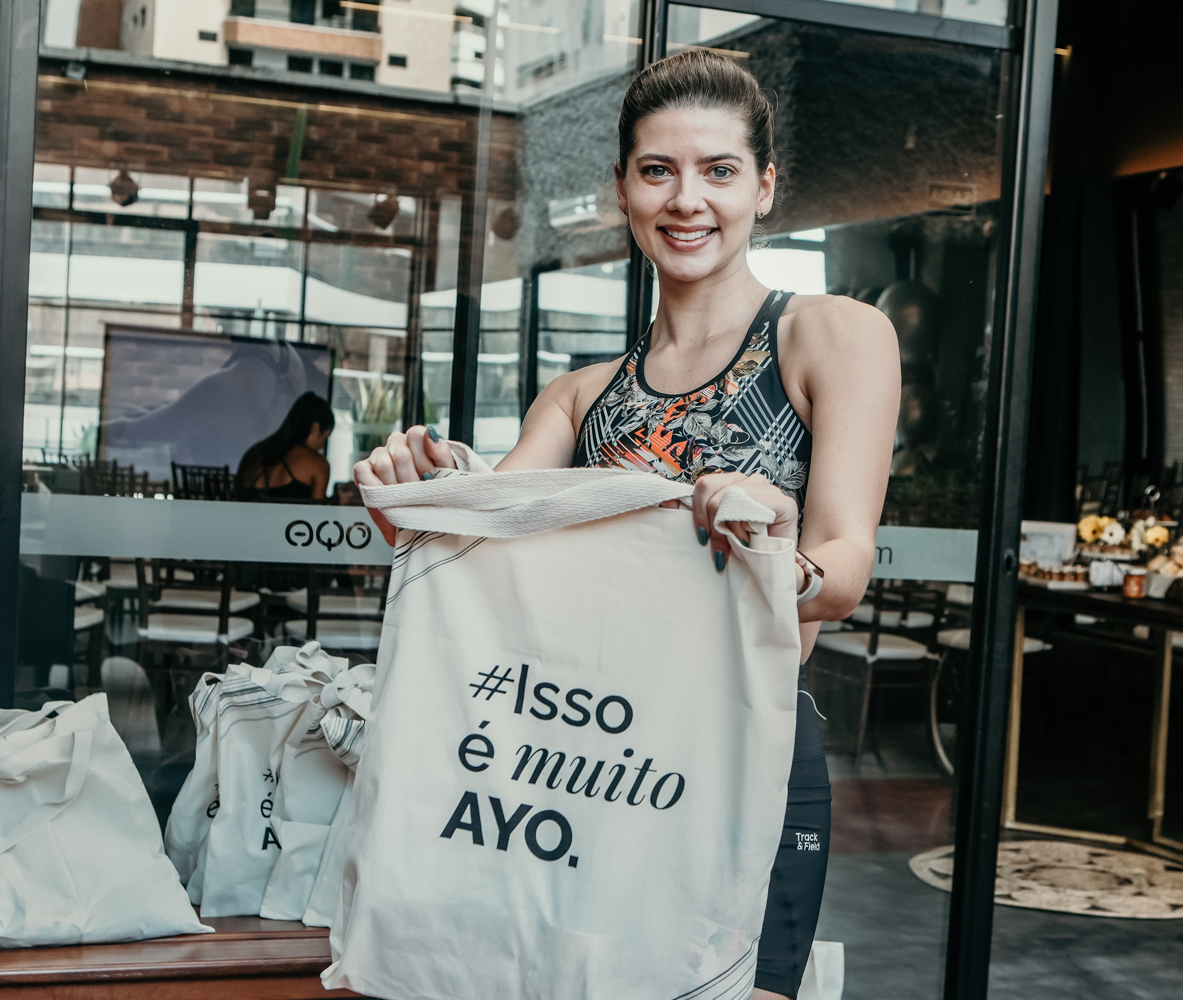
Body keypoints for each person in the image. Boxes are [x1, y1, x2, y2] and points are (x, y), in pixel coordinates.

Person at [355, 49, 900, 1000]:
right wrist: (408, 506)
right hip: (587, 765)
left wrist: (780, 558)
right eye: (658, 171)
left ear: (764, 187)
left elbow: (845, 564)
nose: (688, 200)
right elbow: (482, 562)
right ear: (623, 189)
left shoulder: (832, 335)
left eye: (719, 170)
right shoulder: (577, 397)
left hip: (746, 760)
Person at [237, 391, 334, 503]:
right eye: (324, 438)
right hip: (291, 515)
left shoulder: (255, 453)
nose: (322, 447)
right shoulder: (318, 463)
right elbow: (318, 512)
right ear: (315, 428)